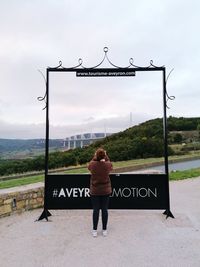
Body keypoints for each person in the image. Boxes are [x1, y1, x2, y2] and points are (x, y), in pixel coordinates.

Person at [88, 148, 113, 237]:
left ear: (96, 155)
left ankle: (95, 230)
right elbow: (110, 163)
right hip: (105, 190)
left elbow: (89, 165)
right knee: (104, 210)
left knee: (96, 210)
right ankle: (104, 230)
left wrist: (95, 156)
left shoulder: (92, 164)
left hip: (95, 191)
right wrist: (105, 156)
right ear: (104, 156)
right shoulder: (107, 165)